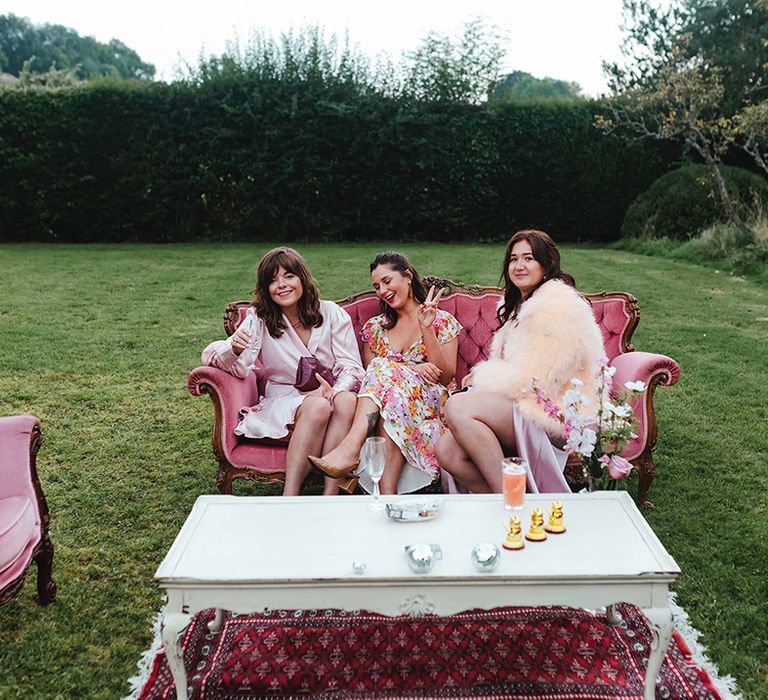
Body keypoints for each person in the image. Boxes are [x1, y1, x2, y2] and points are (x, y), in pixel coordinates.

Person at [435, 229, 605, 494]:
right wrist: (484, 382)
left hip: (554, 413)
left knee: (458, 406)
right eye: (514, 259)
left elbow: (538, 380)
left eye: (528, 258)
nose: (519, 266)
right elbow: (514, 368)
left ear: (546, 265)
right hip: (526, 402)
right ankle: (515, 497)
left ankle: (511, 502)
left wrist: (484, 381)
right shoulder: (522, 306)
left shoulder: (557, 306)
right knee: (447, 451)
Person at [202, 247, 364, 496]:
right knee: (317, 406)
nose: (282, 285)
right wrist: (234, 349)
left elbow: (351, 365)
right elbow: (230, 362)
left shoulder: (331, 313)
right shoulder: (260, 318)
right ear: (266, 288)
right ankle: (290, 496)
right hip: (285, 397)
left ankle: (330, 494)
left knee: (346, 399)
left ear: (302, 278)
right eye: (273, 280)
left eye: (288, 276)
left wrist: (336, 390)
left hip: (328, 388)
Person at [309, 251, 461, 494]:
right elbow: (373, 378)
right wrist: (413, 367)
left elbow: (444, 377)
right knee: (391, 396)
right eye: (376, 286)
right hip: (391, 400)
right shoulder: (376, 328)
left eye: (387, 282)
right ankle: (388, 495)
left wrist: (427, 328)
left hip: (430, 401)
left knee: (382, 367)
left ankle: (350, 449)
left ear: (408, 277)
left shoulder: (441, 320)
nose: (382, 291)